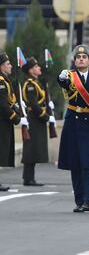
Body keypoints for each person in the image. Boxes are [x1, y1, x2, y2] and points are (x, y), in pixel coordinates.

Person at [57, 45, 89, 212]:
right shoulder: (70, 76)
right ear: (74, 60)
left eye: (84, 57)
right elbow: (63, 83)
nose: (81, 59)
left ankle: (88, 199)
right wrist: (61, 78)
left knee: (87, 163)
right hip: (72, 122)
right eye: (78, 57)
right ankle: (79, 200)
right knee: (75, 163)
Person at [21, 57, 53, 186]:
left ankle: (29, 177)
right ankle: (28, 178)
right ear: (31, 70)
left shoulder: (37, 82)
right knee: (30, 149)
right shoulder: (30, 84)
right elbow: (34, 105)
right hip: (34, 119)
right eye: (36, 67)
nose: (39, 68)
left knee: (34, 149)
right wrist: (46, 117)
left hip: (37, 119)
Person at [0, 52, 21, 191]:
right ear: (1, 66)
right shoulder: (1, 82)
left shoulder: (5, 80)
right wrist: (15, 117)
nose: (11, 66)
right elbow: (2, 104)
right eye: (8, 64)